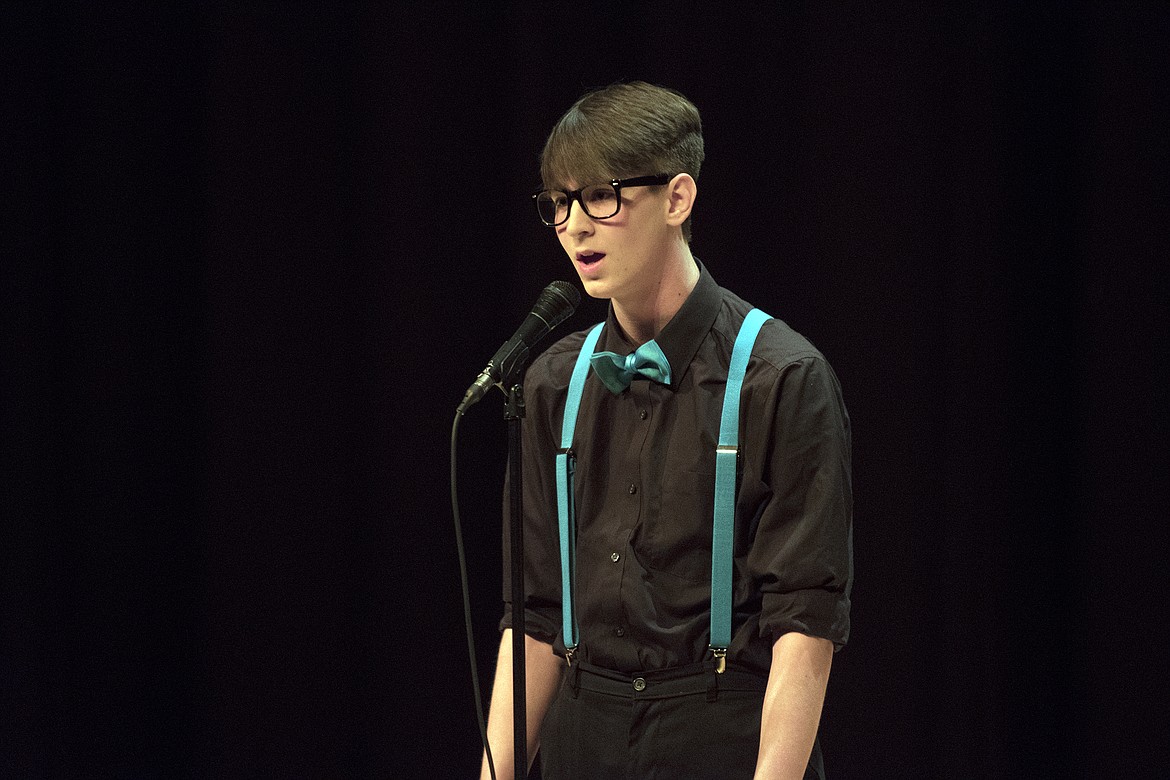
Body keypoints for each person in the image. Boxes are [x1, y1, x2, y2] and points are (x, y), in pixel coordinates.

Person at [481, 81, 852, 780]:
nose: (574, 225)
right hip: (583, 734)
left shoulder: (781, 377)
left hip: (718, 733)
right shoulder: (552, 383)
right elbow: (533, 619)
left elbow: (804, 622)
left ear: (677, 199)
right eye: (559, 202)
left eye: (600, 195)